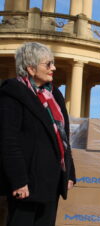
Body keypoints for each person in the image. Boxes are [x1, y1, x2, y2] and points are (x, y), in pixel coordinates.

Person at [0, 42, 76, 226]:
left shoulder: (54, 95)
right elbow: (8, 142)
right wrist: (18, 181)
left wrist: (70, 173)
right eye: (48, 64)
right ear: (31, 69)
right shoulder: (12, 94)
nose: (54, 68)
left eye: (53, 63)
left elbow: (63, 136)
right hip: (27, 183)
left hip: (51, 181)